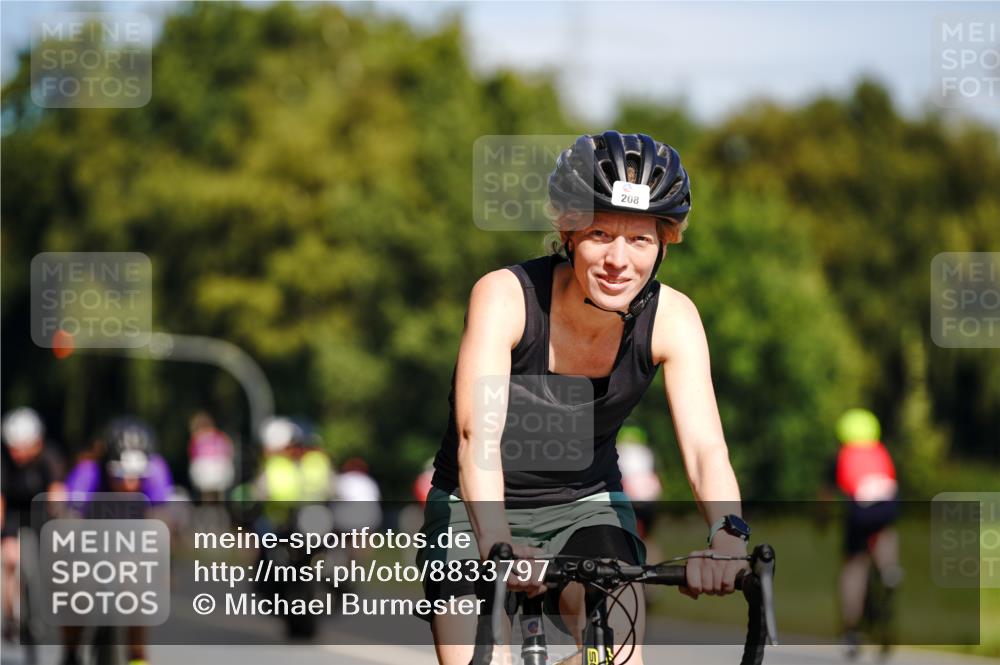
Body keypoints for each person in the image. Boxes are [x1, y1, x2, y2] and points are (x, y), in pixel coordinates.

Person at [417, 131, 749, 665]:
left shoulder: (673, 319)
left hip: (586, 507)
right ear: (568, 233)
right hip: (474, 507)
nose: (619, 259)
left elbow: (707, 449)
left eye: (640, 240)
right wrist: (498, 543)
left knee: (618, 657)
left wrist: (728, 536)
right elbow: (477, 436)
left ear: (665, 243)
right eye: (600, 233)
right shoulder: (504, 297)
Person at [61, 417, 174, 665]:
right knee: (74, 591)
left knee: (138, 593)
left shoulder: (157, 473)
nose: (130, 483)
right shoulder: (88, 472)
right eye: (120, 475)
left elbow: (163, 522)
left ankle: (137, 656)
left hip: (134, 543)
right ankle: (70, 651)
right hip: (89, 540)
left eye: (137, 476)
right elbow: (70, 519)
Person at [828, 408, 902, 658]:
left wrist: (821, 519)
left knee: (854, 567)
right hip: (887, 508)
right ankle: (889, 568)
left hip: (859, 512)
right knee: (886, 533)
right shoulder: (882, 453)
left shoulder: (841, 455)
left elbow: (825, 496)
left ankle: (851, 631)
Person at [1, 408, 66, 644]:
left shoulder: (48, 456)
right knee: (9, 560)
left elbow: (57, 490)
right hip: (12, 513)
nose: (17, 454)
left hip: (39, 513)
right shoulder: (4, 461)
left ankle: (41, 605)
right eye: (13, 448)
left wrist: (57, 510)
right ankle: (10, 615)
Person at [187, 412, 235, 502]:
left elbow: (193, 456)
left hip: (205, 475)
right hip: (220, 473)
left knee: (207, 497)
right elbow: (230, 451)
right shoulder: (221, 436)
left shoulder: (197, 439)